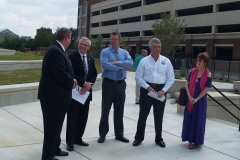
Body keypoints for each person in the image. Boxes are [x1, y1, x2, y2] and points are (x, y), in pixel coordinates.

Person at [38, 27, 77, 160]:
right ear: (67, 38)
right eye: (70, 38)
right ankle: (48, 155)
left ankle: (55, 148)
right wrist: (71, 82)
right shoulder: (55, 51)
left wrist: (71, 80)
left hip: (57, 97)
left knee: (57, 126)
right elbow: (59, 73)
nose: (70, 41)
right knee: (52, 127)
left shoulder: (58, 49)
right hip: (53, 98)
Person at [133, 38, 174, 147]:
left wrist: (164, 90)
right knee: (143, 115)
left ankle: (158, 139)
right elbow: (138, 77)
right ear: (150, 48)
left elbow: (171, 78)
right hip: (147, 90)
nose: (157, 49)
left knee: (159, 116)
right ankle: (138, 138)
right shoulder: (144, 61)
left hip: (161, 91)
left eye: (159, 47)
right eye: (155, 47)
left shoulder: (166, 61)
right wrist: (148, 87)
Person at [98, 31, 133, 143]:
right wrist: (120, 67)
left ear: (120, 40)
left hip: (121, 84)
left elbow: (130, 63)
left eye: (115, 39)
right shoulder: (105, 52)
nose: (113, 41)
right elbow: (105, 65)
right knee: (105, 110)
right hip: (108, 84)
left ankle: (119, 134)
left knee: (119, 110)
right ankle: (102, 134)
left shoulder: (124, 52)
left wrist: (116, 62)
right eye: (111, 39)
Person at [66, 37, 97, 151]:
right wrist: (83, 83)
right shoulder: (72, 57)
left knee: (83, 118)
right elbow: (71, 73)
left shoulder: (90, 59)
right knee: (72, 118)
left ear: (89, 47)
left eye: (86, 45)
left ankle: (78, 138)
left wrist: (89, 85)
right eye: (81, 44)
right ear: (78, 45)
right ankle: (70, 141)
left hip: (86, 94)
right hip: (76, 92)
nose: (83, 46)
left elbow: (94, 73)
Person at [181, 52, 212, 149]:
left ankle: (197, 140)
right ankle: (190, 140)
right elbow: (187, 84)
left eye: (200, 60)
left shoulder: (208, 74)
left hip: (200, 101)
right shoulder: (192, 71)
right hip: (190, 99)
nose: (197, 62)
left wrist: (196, 99)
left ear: (205, 63)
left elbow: (207, 88)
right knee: (190, 119)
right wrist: (190, 96)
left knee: (198, 119)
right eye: (197, 60)